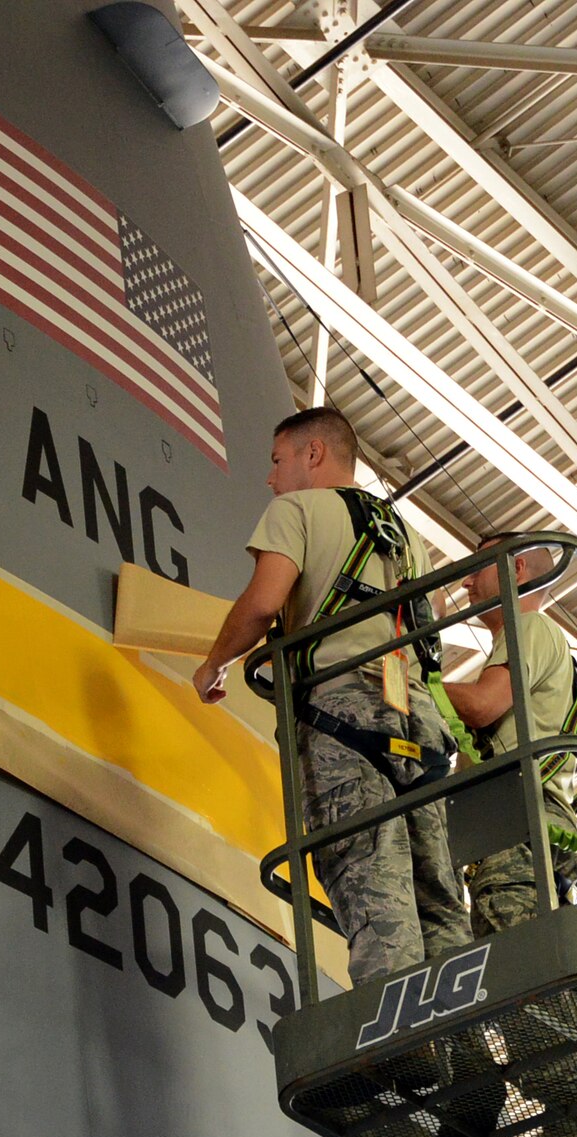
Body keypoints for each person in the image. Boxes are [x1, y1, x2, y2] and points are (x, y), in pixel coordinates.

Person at [192, 406, 470, 984]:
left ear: (312, 454)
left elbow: (265, 603)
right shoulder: (407, 535)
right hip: (416, 718)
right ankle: (463, 1046)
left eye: (277, 460)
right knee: (436, 893)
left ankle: (405, 1042)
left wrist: (215, 664)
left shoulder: (295, 509)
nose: (270, 477)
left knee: (373, 882)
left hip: (339, 715)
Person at [442, 536, 577, 936]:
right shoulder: (537, 638)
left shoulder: (531, 625)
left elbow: (481, 705)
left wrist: (414, 685)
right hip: (524, 823)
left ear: (517, 570)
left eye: (478, 569)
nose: (465, 583)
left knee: (519, 960)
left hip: (521, 822)